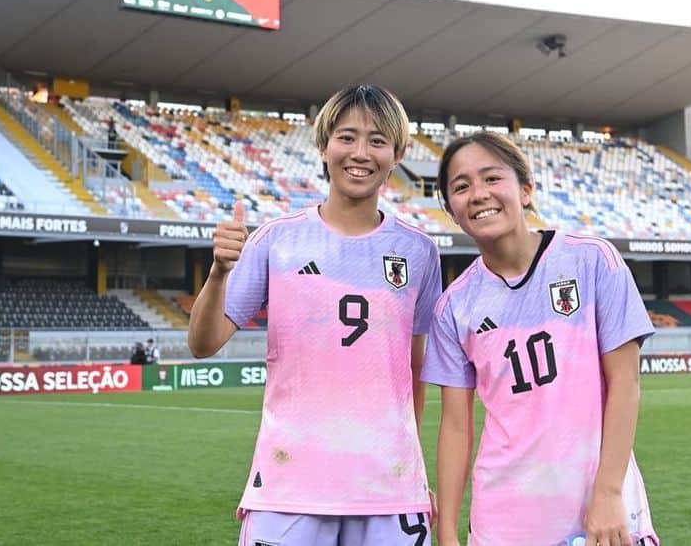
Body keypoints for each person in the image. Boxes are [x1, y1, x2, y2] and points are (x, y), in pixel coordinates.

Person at [187, 84, 443, 546]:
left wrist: (412, 471)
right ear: (324, 146)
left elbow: (415, 369)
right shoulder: (276, 240)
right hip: (290, 484)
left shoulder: (419, 252)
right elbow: (203, 344)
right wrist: (219, 273)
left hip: (388, 490)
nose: (360, 153)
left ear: (398, 153)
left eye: (378, 140)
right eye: (347, 137)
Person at [421, 132, 659, 546]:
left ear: (526, 189)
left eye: (492, 179)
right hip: (506, 521)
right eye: (461, 187)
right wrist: (446, 532)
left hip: (599, 508)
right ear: (451, 210)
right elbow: (456, 427)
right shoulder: (453, 307)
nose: (478, 194)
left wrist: (608, 492)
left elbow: (626, 383)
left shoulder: (591, 260)